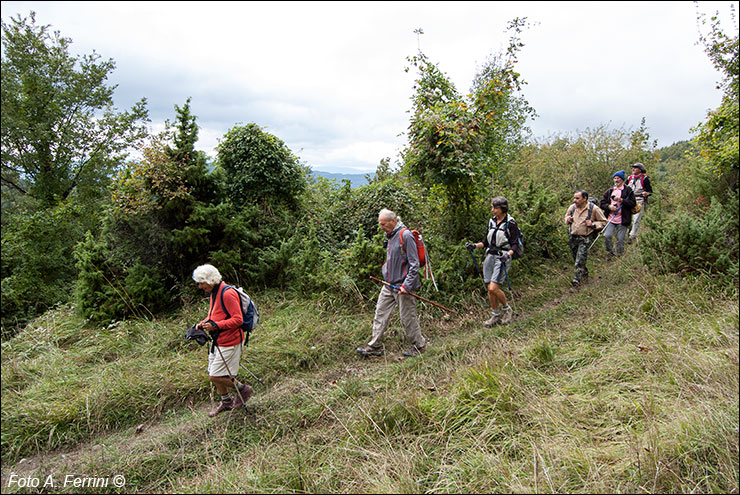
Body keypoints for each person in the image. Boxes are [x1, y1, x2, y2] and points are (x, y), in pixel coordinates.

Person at [356, 209, 428, 358]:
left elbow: (414, 265)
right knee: (380, 314)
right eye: (380, 224)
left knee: (407, 317)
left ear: (392, 222)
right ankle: (374, 346)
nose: (381, 227)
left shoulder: (405, 235)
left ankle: (419, 346)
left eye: (383, 224)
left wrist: (406, 286)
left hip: (403, 286)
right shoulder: (389, 236)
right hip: (388, 284)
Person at [192, 264, 253, 417]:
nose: (200, 286)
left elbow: (238, 319)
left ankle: (243, 389)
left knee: (215, 375)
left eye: (201, 282)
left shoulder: (227, 294)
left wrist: (215, 326)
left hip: (231, 340)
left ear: (210, 280)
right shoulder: (214, 292)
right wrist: (203, 323)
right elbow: (214, 315)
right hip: (219, 340)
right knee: (213, 372)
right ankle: (226, 402)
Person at [466, 196, 520, 327]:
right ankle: (495, 314)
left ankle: (508, 310)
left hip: (503, 257)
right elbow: (485, 242)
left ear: (503, 209)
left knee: (493, 287)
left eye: (495, 208)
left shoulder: (511, 223)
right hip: (490, 256)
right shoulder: (492, 222)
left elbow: (515, 245)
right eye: (492, 207)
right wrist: (474, 245)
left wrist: (508, 255)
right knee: (490, 290)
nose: (493, 210)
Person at [565, 190, 607, 289]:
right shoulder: (572, 207)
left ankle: (576, 283)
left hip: (585, 238)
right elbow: (566, 216)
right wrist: (568, 219)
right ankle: (584, 273)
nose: (575, 200)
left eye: (577, 198)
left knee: (579, 260)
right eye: (574, 198)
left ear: (585, 199)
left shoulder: (594, 209)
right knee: (576, 258)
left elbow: (604, 222)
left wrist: (593, 224)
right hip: (573, 236)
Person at [599, 170, 637, 261]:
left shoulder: (628, 190)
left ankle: (619, 257)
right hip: (610, 218)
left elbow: (633, 203)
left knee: (620, 239)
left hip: (623, 219)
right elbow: (602, 203)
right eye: (615, 178)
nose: (616, 180)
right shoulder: (610, 191)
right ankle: (610, 253)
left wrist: (621, 200)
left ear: (622, 180)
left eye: (618, 178)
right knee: (607, 236)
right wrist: (609, 207)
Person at [626, 162, 653, 243]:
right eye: (632, 168)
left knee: (636, 219)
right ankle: (627, 234)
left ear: (640, 169)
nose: (633, 169)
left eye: (635, 168)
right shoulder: (629, 178)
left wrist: (646, 194)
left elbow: (650, 191)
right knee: (627, 218)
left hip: (639, 200)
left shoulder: (645, 179)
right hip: (629, 200)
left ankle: (632, 237)